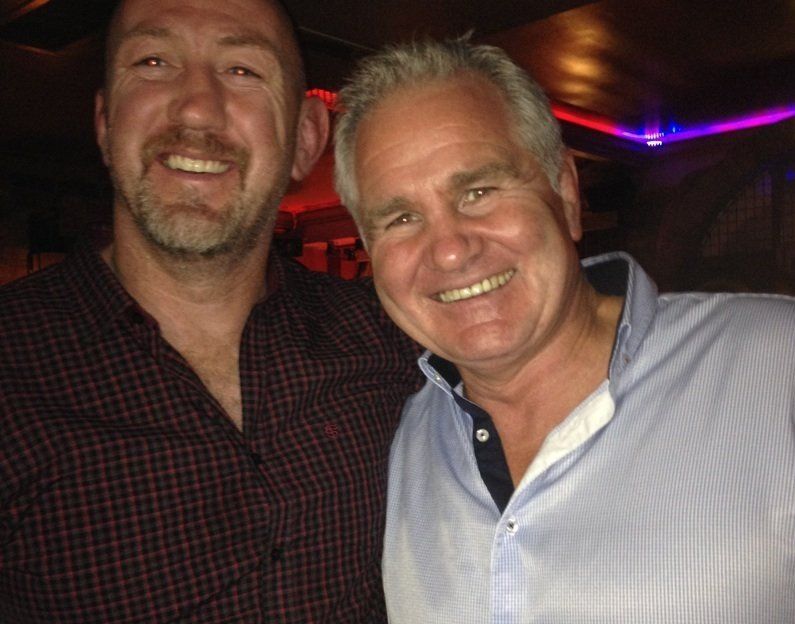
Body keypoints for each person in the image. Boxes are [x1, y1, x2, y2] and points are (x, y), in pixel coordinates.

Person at [333, 37, 795, 623]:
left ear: (567, 194)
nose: (449, 251)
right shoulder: (389, 439)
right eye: (401, 218)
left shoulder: (777, 367)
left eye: (478, 191)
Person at [0, 0, 420, 621]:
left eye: (243, 70)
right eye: (152, 61)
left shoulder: (393, 341)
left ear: (306, 136)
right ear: (105, 122)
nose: (196, 107)